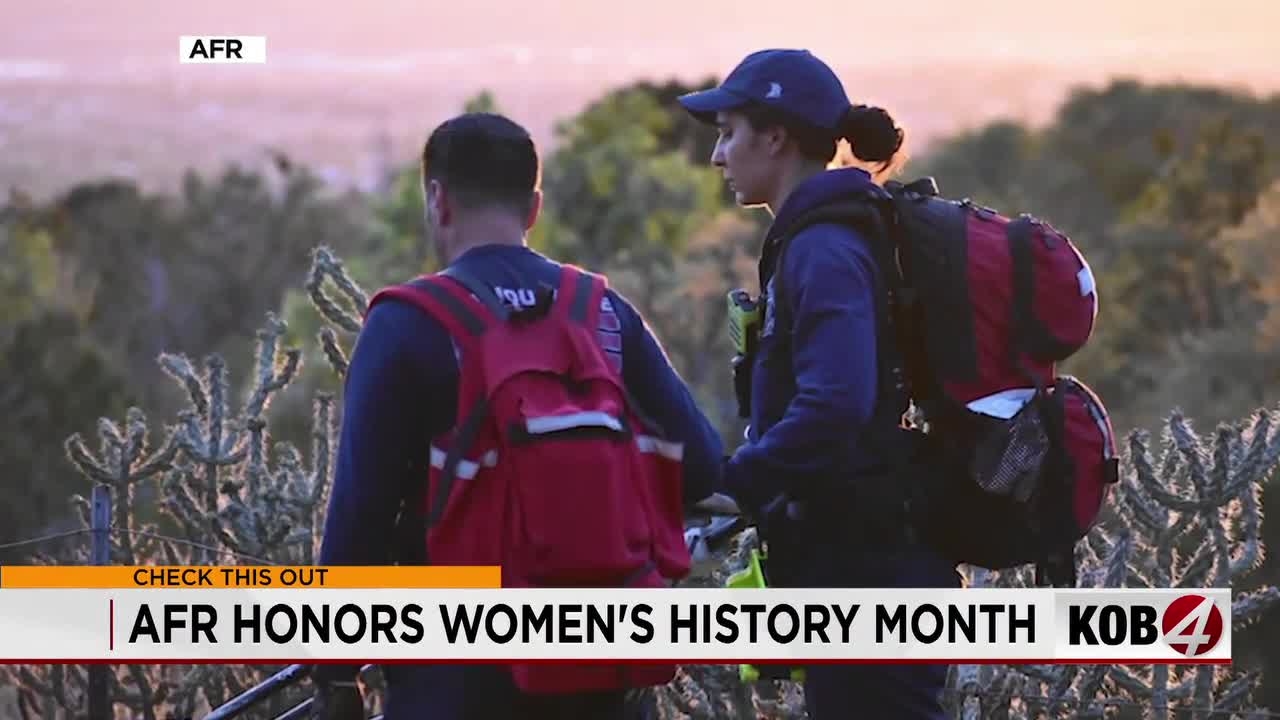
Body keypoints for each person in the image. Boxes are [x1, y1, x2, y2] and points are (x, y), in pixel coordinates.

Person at [312, 112, 726, 720]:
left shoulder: (407, 324)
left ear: (438, 199)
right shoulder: (603, 314)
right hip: (606, 673)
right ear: (533, 207)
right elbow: (702, 466)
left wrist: (336, 675)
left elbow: (359, 520)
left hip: (455, 680)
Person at [677, 49, 962, 719]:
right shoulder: (818, 238)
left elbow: (837, 401)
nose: (718, 157)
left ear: (775, 136)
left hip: (870, 569)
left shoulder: (823, 248)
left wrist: (738, 477)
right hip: (860, 559)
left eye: (727, 133)